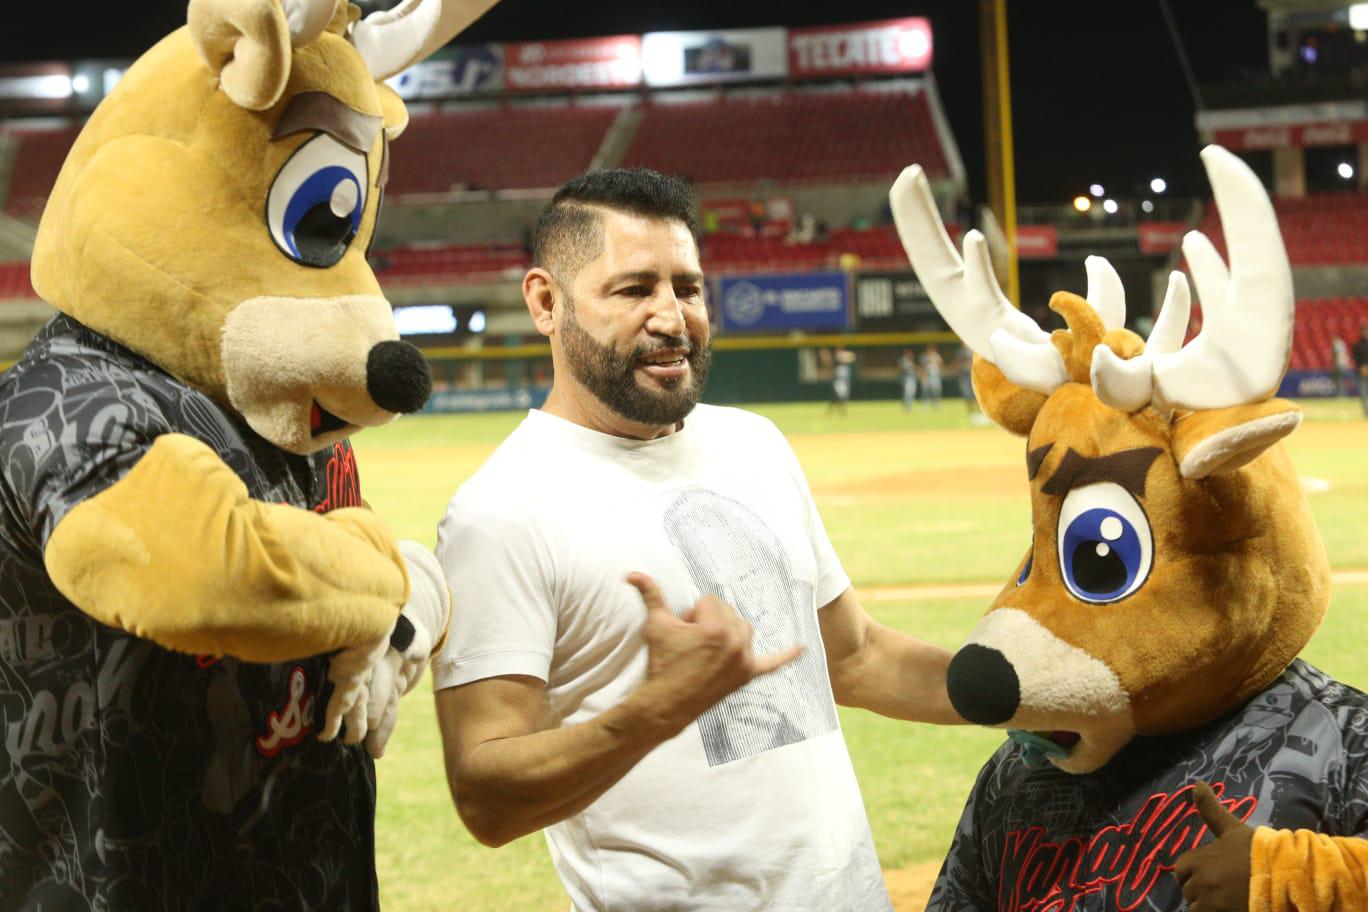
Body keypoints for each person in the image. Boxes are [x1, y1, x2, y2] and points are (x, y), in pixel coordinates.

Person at [429, 168, 961, 911]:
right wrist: (657, 709)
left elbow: (855, 656)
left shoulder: (756, 443)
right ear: (546, 303)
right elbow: (485, 798)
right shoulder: (500, 512)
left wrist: (1033, 691)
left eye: (688, 287)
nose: (673, 317)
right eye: (634, 289)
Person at [827, 345, 856, 416]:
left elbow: (852, 357)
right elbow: (833, 362)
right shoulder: (836, 360)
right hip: (838, 382)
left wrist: (844, 356)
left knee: (839, 398)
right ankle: (842, 412)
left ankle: (833, 411)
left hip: (844, 382)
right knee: (839, 397)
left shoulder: (844, 362)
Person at [1353, 323, 1368, 417]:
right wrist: (1362, 367)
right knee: (1363, 393)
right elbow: (1356, 358)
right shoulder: (1357, 345)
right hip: (1361, 372)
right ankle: (1366, 413)